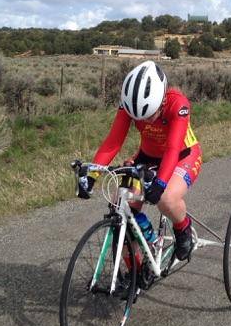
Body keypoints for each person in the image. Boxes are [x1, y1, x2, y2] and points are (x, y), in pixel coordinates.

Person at [77, 60, 202, 261]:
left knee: (166, 199)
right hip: (147, 156)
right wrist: (92, 174)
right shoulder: (128, 106)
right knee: (120, 208)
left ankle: (183, 228)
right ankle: (135, 270)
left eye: (150, 115)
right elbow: (113, 142)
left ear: (162, 100)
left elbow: (172, 148)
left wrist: (160, 183)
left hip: (182, 155)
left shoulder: (178, 105)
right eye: (139, 117)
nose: (145, 121)